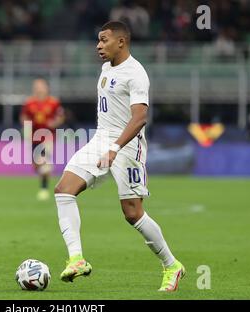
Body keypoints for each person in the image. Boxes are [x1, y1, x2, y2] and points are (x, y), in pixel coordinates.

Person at [54, 21, 185, 291]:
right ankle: (77, 259)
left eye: (104, 40)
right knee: (63, 190)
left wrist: (115, 148)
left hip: (128, 146)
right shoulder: (105, 68)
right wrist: (106, 144)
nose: (98, 46)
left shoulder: (136, 73)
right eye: (98, 41)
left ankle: (171, 265)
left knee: (133, 214)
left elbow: (140, 118)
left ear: (121, 42)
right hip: (100, 139)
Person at [20, 78, 65, 201]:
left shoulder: (53, 102)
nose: (39, 88)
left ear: (46, 88)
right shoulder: (29, 103)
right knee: (36, 165)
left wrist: (54, 123)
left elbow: (60, 117)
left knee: (44, 162)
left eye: (41, 86)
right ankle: (44, 170)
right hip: (34, 138)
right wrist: (26, 126)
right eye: (37, 86)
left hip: (48, 137)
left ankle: (44, 189)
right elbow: (24, 117)